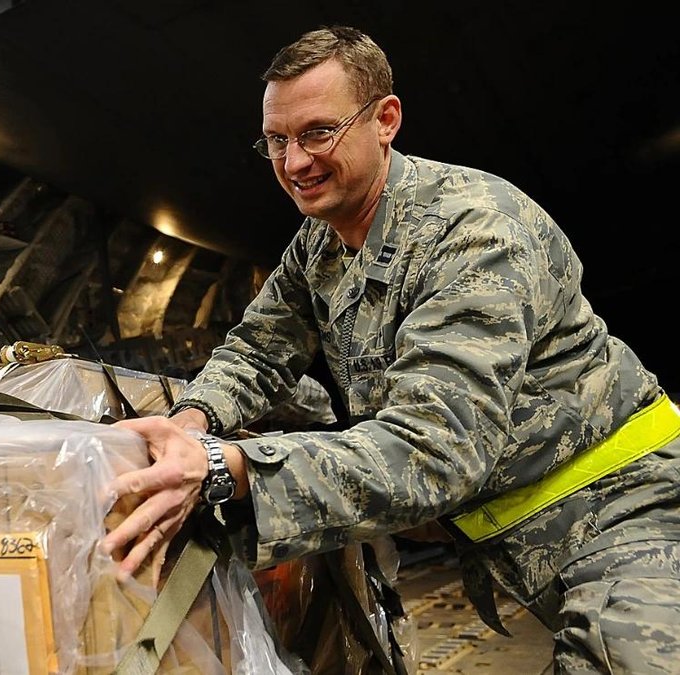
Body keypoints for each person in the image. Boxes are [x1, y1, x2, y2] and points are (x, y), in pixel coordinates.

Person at [101, 24, 680, 674]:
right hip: (521, 535)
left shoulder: (475, 233)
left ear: (386, 119)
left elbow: (436, 446)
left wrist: (223, 466)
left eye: (318, 132)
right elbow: (259, 349)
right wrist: (187, 422)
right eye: (276, 141)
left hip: (631, 513)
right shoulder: (317, 247)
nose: (295, 164)